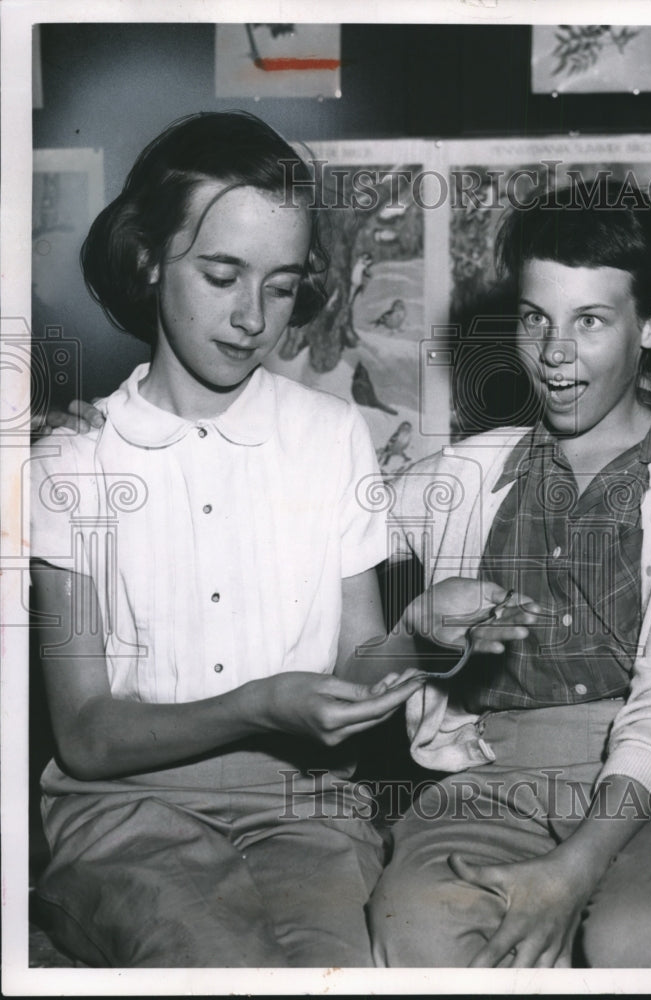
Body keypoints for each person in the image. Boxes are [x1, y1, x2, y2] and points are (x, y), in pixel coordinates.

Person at [28, 110, 430, 968]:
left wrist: (425, 635)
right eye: (222, 275)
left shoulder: (332, 436)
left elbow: (359, 661)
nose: (252, 317)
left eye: (280, 287)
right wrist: (257, 704)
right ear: (148, 259)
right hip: (124, 812)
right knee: (217, 961)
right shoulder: (72, 459)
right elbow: (87, 737)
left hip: (306, 811)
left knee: (335, 973)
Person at [366, 182, 651, 968]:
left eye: (590, 321)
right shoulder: (462, 476)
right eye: (536, 318)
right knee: (419, 929)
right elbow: (312, 527)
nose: (554, 352)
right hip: (489, 777)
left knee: (639, 938)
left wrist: (573, 871)